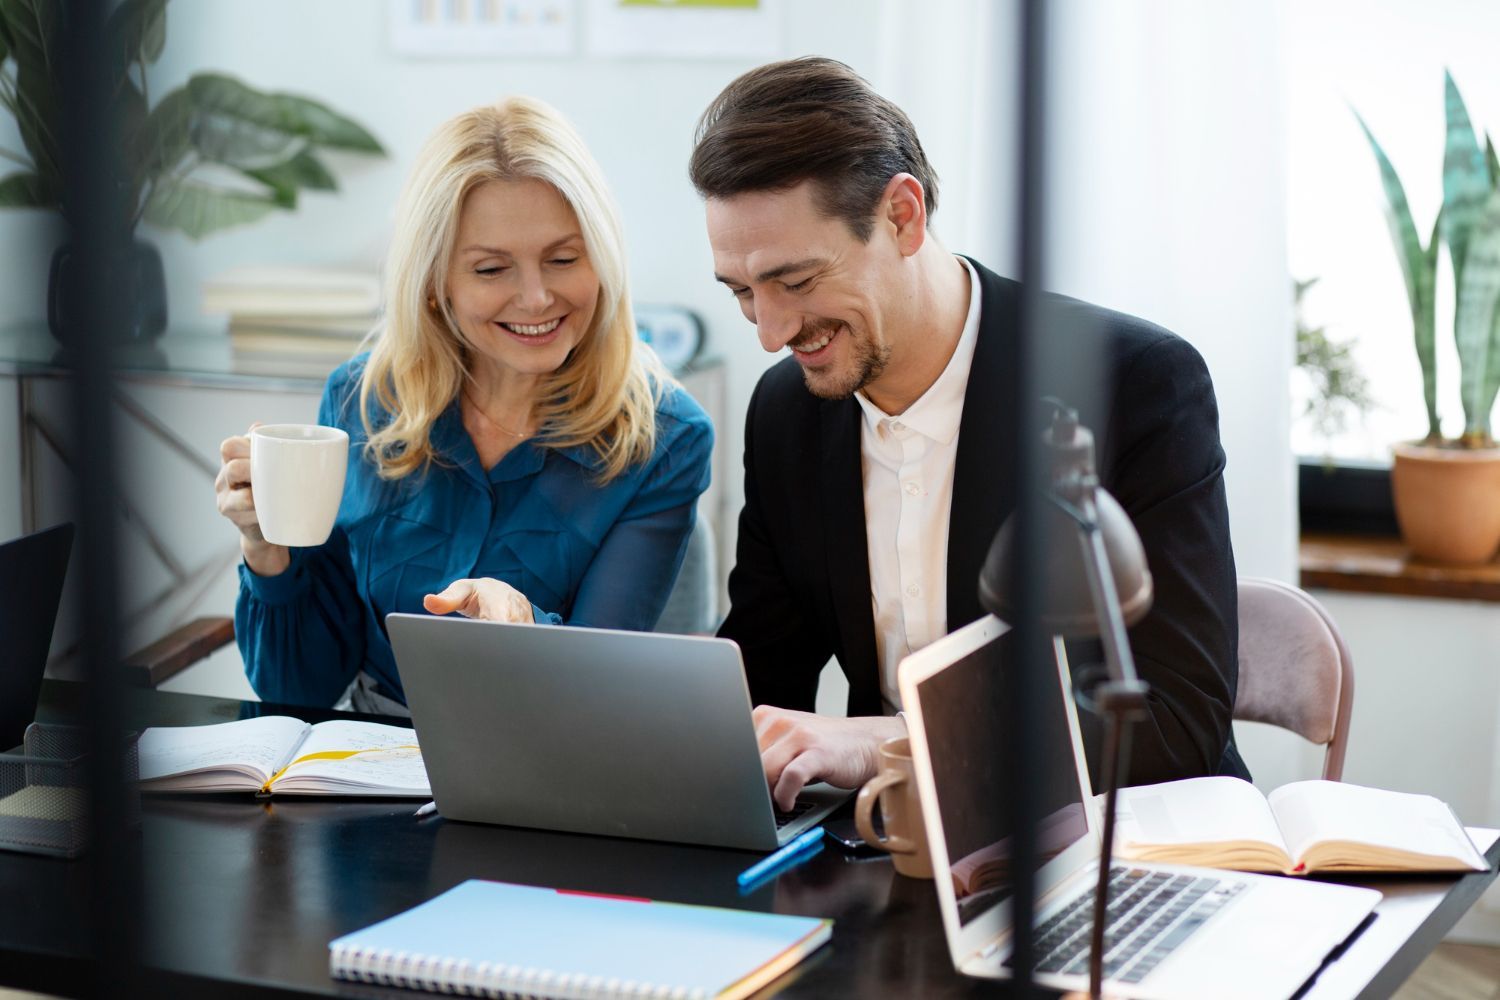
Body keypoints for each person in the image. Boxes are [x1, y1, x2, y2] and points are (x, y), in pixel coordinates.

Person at [690, 57, 1249, 811]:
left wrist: (882, 742)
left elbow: (1176, 724)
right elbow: (761, 678)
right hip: (897, 850)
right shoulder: (788, 410)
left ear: (903, 216)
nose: (772, 331)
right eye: (743, 293)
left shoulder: (1136, 384)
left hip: (1119, 846)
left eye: (795, 281)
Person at [216, 97, 713, 712]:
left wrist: (525, 624)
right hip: (369, 761)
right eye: (491, 269)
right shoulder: (361, 400)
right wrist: (266, 551)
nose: (536, 298)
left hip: (545, 764)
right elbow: (298, 690)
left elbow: (596, 694)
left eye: (563, 259)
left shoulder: (665, 438)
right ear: (432, 285)